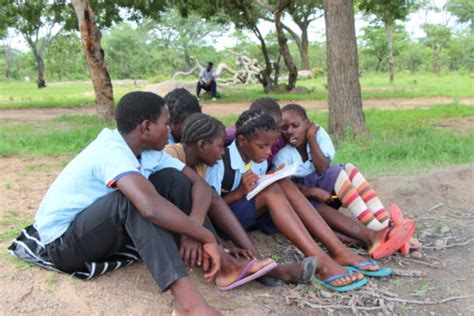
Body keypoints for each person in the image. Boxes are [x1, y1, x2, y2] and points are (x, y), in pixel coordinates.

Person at [28, 92, 277, 316]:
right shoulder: (112, 151)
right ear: (146, 127)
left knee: (172, 179)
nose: (170, 129)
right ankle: (189, 306)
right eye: (166, 123)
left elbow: (199, 186)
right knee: (131, 202)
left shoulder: (150, 152)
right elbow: (150, 208)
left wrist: (192, 229)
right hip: (63, 244)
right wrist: (206, 236)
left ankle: (224, 267)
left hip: (96, 231)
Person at [218, 109, 406, 292]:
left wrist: (271, 175)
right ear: (242, 141)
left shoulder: (256, 155)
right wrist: (240, 192)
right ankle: (323, 261)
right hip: (230, 219)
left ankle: (341, 249)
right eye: (263, 147)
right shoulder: (221, 162)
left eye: (270, 146)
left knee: (283, 183)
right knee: (273, 190)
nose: (269, 152)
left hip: (257, 212)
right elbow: (213, 208)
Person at [165, 113, 318, 286]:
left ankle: (260, 265)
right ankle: (267, 269)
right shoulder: (170, 155)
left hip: (194, 222)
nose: (223, 151)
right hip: (171, 224)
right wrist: (196, 234)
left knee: (211, 196)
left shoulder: (201, 164)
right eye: (220, 146)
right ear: (202, 145)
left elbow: (204, 198)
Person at [274, 103, 417, 256]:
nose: (290, 131)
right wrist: (312, 190)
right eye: (284, 128)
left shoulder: (318, 134)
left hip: (323, 185)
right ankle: (380, 229)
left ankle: (385, 221)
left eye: (295, 125)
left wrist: (311, 139)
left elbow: (322, 166)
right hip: (307, 194)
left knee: (348, 167)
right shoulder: (283, 156)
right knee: (336, 171)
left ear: (307, 124)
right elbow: (314, 174)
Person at [224, 97, 285, 167]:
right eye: (262, 146)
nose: (269, 152)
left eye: (279, 129)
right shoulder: (231, 136)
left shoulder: (281, 138)